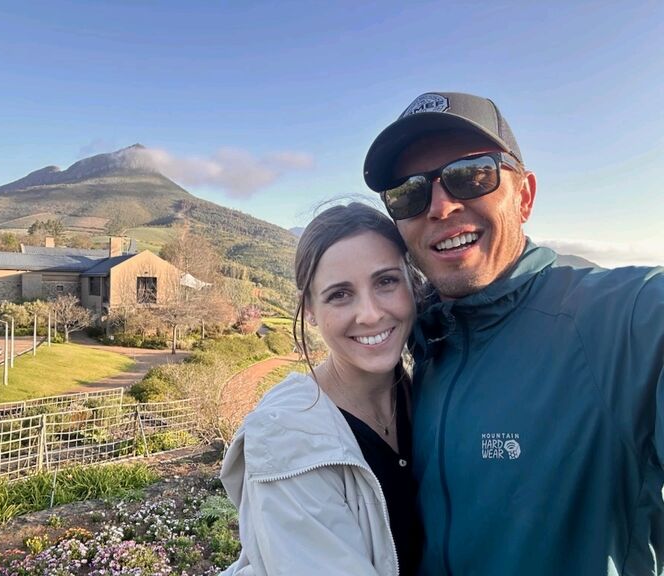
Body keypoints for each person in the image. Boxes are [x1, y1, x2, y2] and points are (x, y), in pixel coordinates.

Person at [363, 91, 664, 575]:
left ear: (523, 197)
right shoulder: (424, 343)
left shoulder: (623, 321)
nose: (439, 207)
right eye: (408, 192)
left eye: (470, 175)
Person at [220, 202, 423, 575]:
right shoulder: (287, 440)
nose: (371, 313)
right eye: (340, 294)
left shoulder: (425, 396)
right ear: (309, 310)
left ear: (411, 282)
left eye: (386, 281)